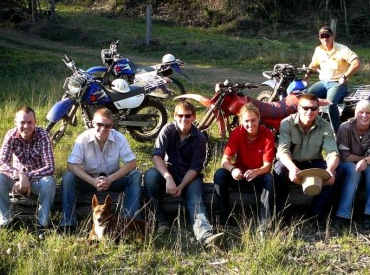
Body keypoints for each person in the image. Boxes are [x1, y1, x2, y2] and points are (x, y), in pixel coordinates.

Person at [144, 101, 222, 246]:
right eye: (180, 115)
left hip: (190, 177)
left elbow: (195, 167)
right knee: (150, 177)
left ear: (194, 117)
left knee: (196, 201)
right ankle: (160, 222)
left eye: (188, 116)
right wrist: (168, 178)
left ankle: (205, 235)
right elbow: (157, 156)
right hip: (168, 171)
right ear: (175, 116)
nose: (184, 119)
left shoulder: (199, 138)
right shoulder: (168, 130)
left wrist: (181, 186)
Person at [59, 108, 142, 231]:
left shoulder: (119, 137)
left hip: (112, 179)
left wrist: (110, 179)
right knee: (68, 177)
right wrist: (92, 181)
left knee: (135, 175)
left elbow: (132, 163)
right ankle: (68, 222)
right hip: (89, 180)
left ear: (112, 125)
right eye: (99, 124)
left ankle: (129, 221)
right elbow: (71, 165)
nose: (103, 129)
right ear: (92, 123)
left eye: (107, 126)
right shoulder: (83, 138)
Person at [0, 107, 56, 237]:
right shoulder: (11, 135)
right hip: (17, 182)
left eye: (30, 122)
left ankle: (42, 225)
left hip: (38, 181)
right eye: (22, 122)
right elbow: (1, 163)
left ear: (35, 122)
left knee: (49, 182)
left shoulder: (43, 135)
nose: (26, 126)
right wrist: (19, 176)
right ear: (15, 122)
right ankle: (6, 222)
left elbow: (50, 167)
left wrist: (27, 176)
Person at [274, 93, 340, 220]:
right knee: (279, 169)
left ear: (318, 109)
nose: (309, 111)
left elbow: (333, 152)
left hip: (313, 161)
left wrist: (330, 171)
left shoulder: (325, 125)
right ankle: (281, 212)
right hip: (293, 162)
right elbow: (283, 151)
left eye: (313, 108)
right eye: (305, 108)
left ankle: (317, 212)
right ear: (299, 108)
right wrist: (292, 168)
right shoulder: (287, 123)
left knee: (337, 172)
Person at [213, 103, 275, 231]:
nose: (250, 124)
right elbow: (225, 160)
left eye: (253, 120)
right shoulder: (238, 132)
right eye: (246, 121)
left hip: (257, 176)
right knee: (220, 174)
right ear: (241, 121)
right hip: (240, 175)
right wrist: (233, 169)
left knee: (269, 178)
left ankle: (264, 225)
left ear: (259, 119)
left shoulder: (267, 134)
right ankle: (224, 221)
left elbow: (268, 166)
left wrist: (257, 171)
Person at [335, 100, 370, 229]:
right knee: (353, 170)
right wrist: (364, 159)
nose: (364, 116)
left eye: (368, 113)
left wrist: (366, 161)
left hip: (366, 161)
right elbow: (345, 156)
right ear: (355, 113)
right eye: (361, 112)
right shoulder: (345, 127)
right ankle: (343, 214)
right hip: (345, 162)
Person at [303, 26, 361, 133]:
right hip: (322, 83)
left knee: (329, 104)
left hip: (336, 83)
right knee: (304, 99)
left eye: (327, 36)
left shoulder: (342, 49)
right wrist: (306, 76)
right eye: (322, 36)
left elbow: (356, 63)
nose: (325, 39)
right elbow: (313, 65)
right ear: (319, 38)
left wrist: (344, 77)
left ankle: (337, 132)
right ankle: (306, 127)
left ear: (332, 36)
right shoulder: (318, 50)